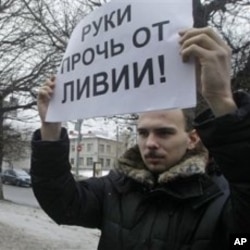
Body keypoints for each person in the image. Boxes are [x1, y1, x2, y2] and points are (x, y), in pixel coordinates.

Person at [31, 27, 250, 250]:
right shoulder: (117, 187)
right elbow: (62, 202)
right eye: (143, 133)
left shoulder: (220, 198)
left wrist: (221, 99)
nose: (150, 143)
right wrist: (50, 128)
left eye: (164, 132)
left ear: (192, 138)